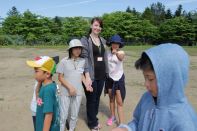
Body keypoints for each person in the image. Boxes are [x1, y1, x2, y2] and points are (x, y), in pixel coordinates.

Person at [112, 43, 197, 131]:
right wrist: (126, 129)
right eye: (145, 78)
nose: (146, 84)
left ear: (170, 79)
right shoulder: (146, 98)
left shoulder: (184, 122)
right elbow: (137, 122)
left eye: (150, 79)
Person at [57, 39, 91, 131]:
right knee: (63, 116)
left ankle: (72, 129)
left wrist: (87, 85)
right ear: (70, 49)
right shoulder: (64, 61)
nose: (78, 50)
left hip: (78, 92)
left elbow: (81, 75)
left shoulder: (82, 61)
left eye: (79, 48)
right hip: (65, 92)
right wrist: (70, 87)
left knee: (74, 115)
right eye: (75, 48)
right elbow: (60, 77)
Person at [80, 17, 108, 131]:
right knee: (91, 99)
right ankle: (92, 124)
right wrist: (87, 77)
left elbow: (105, 57)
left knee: (96, 98)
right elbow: (84, 58)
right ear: (91, 26)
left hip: (101, 75)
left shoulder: (103, 40)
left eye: (99, 26)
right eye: (96, 25)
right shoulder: (85, 39)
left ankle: (94, 119)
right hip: (90, 75)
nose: (97, 28)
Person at [27, 56, 60, 131]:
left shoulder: (47, 90)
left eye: (36, 71)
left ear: (47, 74)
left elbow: (48, 115)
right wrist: (39, 81)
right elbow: (38, 97)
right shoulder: (49, 85)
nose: (34, 74)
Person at [105, 34, 126, 126]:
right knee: (111, 99)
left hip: (119, 79)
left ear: (120, 44)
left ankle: (121, 123)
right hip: (110, 79)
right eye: (114, 43)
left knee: (120, 102)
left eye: (117, 43)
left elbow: (121, 58)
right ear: (111, 43)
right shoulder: (107, 53)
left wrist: (116, 52)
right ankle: (113, 117)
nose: (115, 45)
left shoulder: (121, 52)